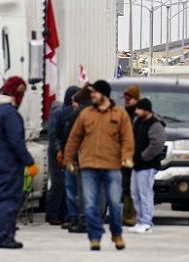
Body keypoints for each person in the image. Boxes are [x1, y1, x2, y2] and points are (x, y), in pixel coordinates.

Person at [63, 79, 134, 251]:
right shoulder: (85, 114)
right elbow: (74, 138)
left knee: (115, 204)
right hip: (88, 166)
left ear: (104, 94)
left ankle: (116, 234)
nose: (92, 95)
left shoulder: (120, 114)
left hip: (112, 166)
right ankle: (94, 237)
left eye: (95, 92)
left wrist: (126, 156)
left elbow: (127, 138)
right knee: (90, 204)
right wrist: (68, 159)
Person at [0, 76, 38, 249]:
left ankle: (3, 234)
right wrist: (29, 162)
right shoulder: (10, 113)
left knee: (3, 200)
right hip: (8, 165)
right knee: (9, 201)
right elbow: (16, 141)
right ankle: (2, 237)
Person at [128, 97, 166, 234]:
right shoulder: (138, 121)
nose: (136, 111)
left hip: (148, 165)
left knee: (145, 193)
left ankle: (146, 222)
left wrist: (143, 157)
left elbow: (157, 144)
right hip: (136, 165)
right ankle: (139, 220)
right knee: (135, 193)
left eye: (138, 109)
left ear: (146, 110)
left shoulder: (155, 124)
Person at [62, 85, 93, 234]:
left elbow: (70, 135)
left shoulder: (80, 113)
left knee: (80, 190)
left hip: (82, 157)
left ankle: (83, 221)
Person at [45, 86, 78, 225]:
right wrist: (58, 151)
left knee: (68, 184)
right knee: (58, 183)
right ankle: (52, 213)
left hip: (69, 152)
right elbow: (52, 135)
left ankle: (65, 214)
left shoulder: (76, 112)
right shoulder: (57, 113)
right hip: (56, 152)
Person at [120, 84, 141, 227]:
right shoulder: (122, 113)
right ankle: (126, 215)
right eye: (126, 98)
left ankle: (132, 215)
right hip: (122, 154)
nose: (127, 100)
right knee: (125, 185)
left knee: (136, 186)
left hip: (136, 155)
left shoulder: (139, 114)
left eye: (130, 98)